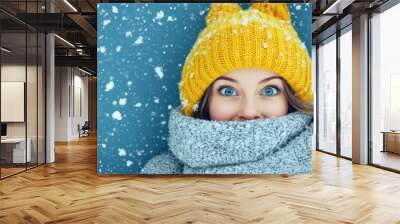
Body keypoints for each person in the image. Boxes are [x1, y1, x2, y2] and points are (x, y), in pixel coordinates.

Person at [141, 3, 313, 174]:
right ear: (203, 101)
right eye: (228, 91)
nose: (249, 111)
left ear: (292, 97)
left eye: (269, 90)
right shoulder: (159, 174)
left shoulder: (315, 157)